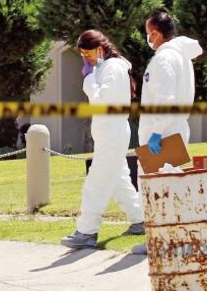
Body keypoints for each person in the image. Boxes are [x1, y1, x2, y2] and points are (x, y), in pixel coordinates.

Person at [61, 30, 145, 249]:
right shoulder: (105, 68)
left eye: (88, 54)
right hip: (109, 132)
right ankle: (140, 219)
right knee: (118, 179)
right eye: (82, 55)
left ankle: (87, 231)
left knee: (96, 181)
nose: (85, 59)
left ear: (100, 48)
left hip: (112, 130)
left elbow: (103, 103)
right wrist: (92, 75)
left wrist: (89, 79)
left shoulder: (113, 68)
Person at [130, 11, 202, 255]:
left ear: (156, 33)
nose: (147, 38)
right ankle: (173, 239)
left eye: (148, 33)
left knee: (156, 189)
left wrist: (156, 134)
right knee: (171, 187)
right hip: (175, 128)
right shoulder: (181, 57)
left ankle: (160, 240)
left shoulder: (163, 60)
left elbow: (165, 100)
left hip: (162, 132)